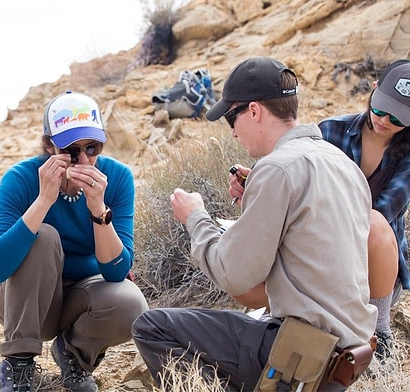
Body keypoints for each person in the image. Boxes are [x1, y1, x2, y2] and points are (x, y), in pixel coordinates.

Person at [131, 57, 377, 391]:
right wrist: (255, 199)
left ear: (255, 111)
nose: (232, 131)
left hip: (300, 355)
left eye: (232, 117)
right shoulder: (342, 163)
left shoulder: (277, 169)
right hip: (346, 355)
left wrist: (196, 218)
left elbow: (235, 275)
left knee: (151, 326)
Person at [0, 91, 148, 392]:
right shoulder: (21, 178)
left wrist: (98, 209)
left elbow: (116, 271)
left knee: (131, 303)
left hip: (81, 296)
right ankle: (18, 365)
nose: (84, 159)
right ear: (49, 145)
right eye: (71, 150)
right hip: (21, 301)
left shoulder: (117, 178)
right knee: (42, 235)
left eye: (92, 147)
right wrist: (43, 200)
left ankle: (73, 354)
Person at [318, 59, 410, 363]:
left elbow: (384, 210)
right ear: (373, 90)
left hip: (376, 271)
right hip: (322, 253)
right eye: (380, 108)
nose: (384, 121)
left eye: (397, 118)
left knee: (371, 219)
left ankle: (380, 331)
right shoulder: (330, 131)